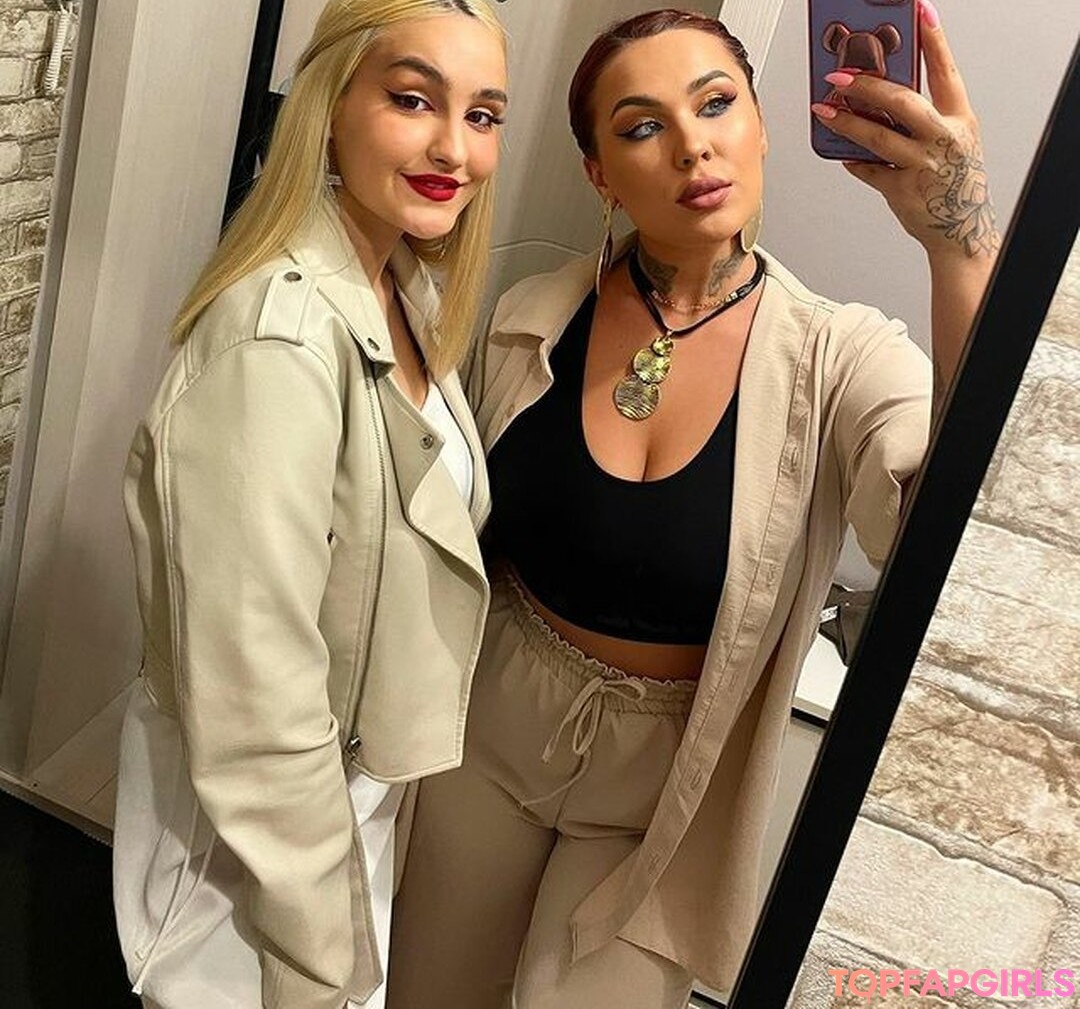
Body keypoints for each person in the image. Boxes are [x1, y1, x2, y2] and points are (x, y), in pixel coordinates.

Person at [386, 5, 997, 1008]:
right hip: (492, 713)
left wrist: (958, 244)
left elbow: (947, 531)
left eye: (716, 105)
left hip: (673, 771)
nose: (692, 145)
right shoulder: (531, 315)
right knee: (429, 989)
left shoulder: (840, 356)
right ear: (600, 174)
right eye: (642, 126)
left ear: (761, 124)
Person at [111, 2, 507, 1008]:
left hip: (343, 827)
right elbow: (253, 690)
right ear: (330, 104)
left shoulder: (402, 289)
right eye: (413, 100)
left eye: (483, 115)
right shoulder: (279, 340)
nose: (454, 149)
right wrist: (322, 949)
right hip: (257, 877)